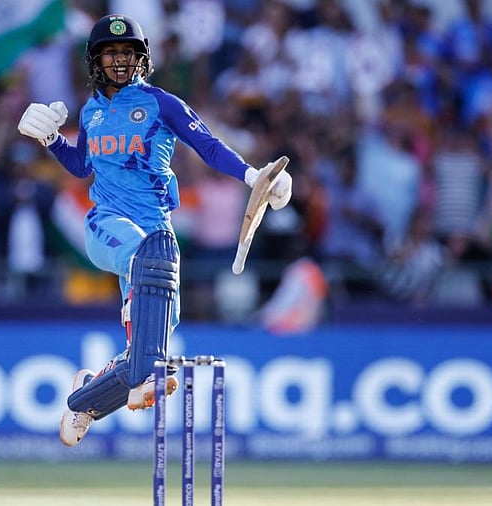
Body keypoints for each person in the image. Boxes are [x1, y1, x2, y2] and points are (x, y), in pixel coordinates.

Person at [17, 14, 292, 447]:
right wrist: (52, 139)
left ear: (142, 60)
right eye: (112, 54)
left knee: (152, 347)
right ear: (96, 61)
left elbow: (208, 146)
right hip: (106, 224)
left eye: (128, 54)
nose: (120, 61)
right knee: (147, 297)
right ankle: (140, 370)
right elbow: (82, 166)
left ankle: (85, 399)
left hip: (157, 235)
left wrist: (254, 176)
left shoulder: (163, 104)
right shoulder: (91, 112)